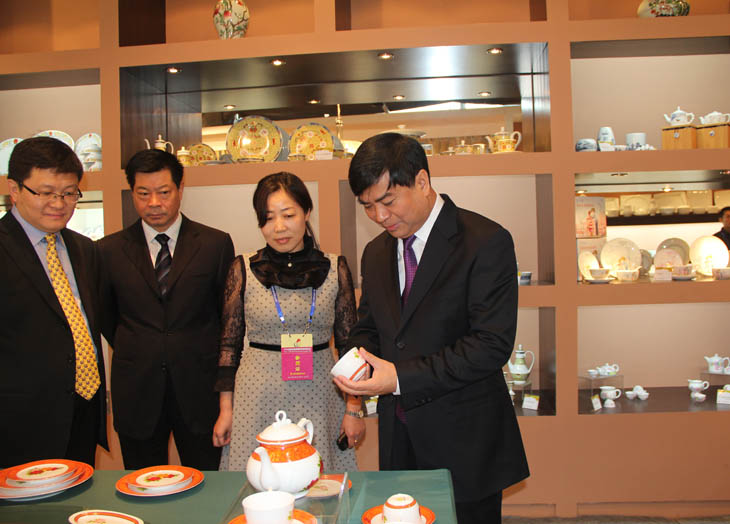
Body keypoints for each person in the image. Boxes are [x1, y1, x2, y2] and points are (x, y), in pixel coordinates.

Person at [333, 133, 529, 524]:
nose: (380, 216)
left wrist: (398, 378)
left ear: (422, 181)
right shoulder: (376, 252)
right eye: (368, 206)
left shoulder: (485, 241)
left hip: (466, 441)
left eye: (388, 201)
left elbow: (490, 345)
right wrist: (358, 362)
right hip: (399, 437)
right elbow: (371, 326)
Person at [212, 172, 362, 473]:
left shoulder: (335, 267)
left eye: (288, 215)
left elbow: (349, 347)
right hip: (257, 394)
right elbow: (229, 347)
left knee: (317, 478)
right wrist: (226, 410)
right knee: (260, 477)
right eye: (268, 218)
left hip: (320, 394)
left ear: (306, 212)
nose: (278, 227)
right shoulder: (242, 268)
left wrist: (354, 408)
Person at [99, 149, 234, 470]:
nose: (154, 203)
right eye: (143, 194)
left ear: (180, 188)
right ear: (132, 192)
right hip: (137, 389)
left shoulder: (215, 244)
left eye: (163, 192)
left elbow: (227, 318)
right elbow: (106, 317)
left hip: (200, 389)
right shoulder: (107, 251)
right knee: (142, 483)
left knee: (207, 481)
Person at [0, 136, 108, 467]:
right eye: (46, 193)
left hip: (83, 411)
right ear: (15, 190)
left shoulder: (84, 249)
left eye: (69, 193)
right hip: (19, 424)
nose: (59, 203)